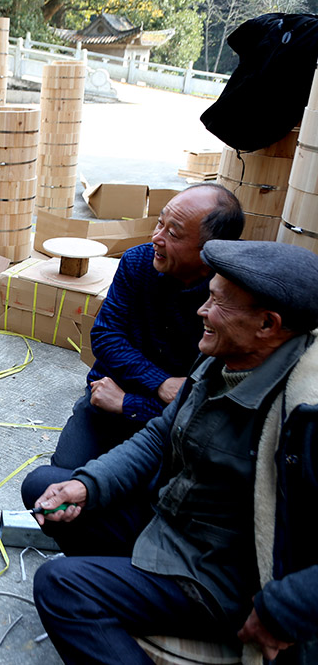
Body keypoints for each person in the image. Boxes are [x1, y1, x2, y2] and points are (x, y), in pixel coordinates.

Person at [30, 240, 318, 665]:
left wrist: (284, 607)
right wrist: (88, 486)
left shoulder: (305, 412)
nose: (202, 311)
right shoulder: (222, 358)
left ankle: (115, 596)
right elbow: (160, 436)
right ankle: (122, 590)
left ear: (267, 324)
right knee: (46, 487)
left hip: (215, 574)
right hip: (170, 521)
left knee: (59, 585)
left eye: (218, 303)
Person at [21, 184, 244, 509]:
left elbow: (202, 407)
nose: (157, 237)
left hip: (170, 422)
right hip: (106, 397)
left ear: (209, 252)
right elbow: (106, 336)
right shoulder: (138, 262)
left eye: (173, 233)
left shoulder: (229, 301)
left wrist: (128, 403)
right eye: (160, 223)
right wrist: (161, 383)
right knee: (57, 486)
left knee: (153, 498)